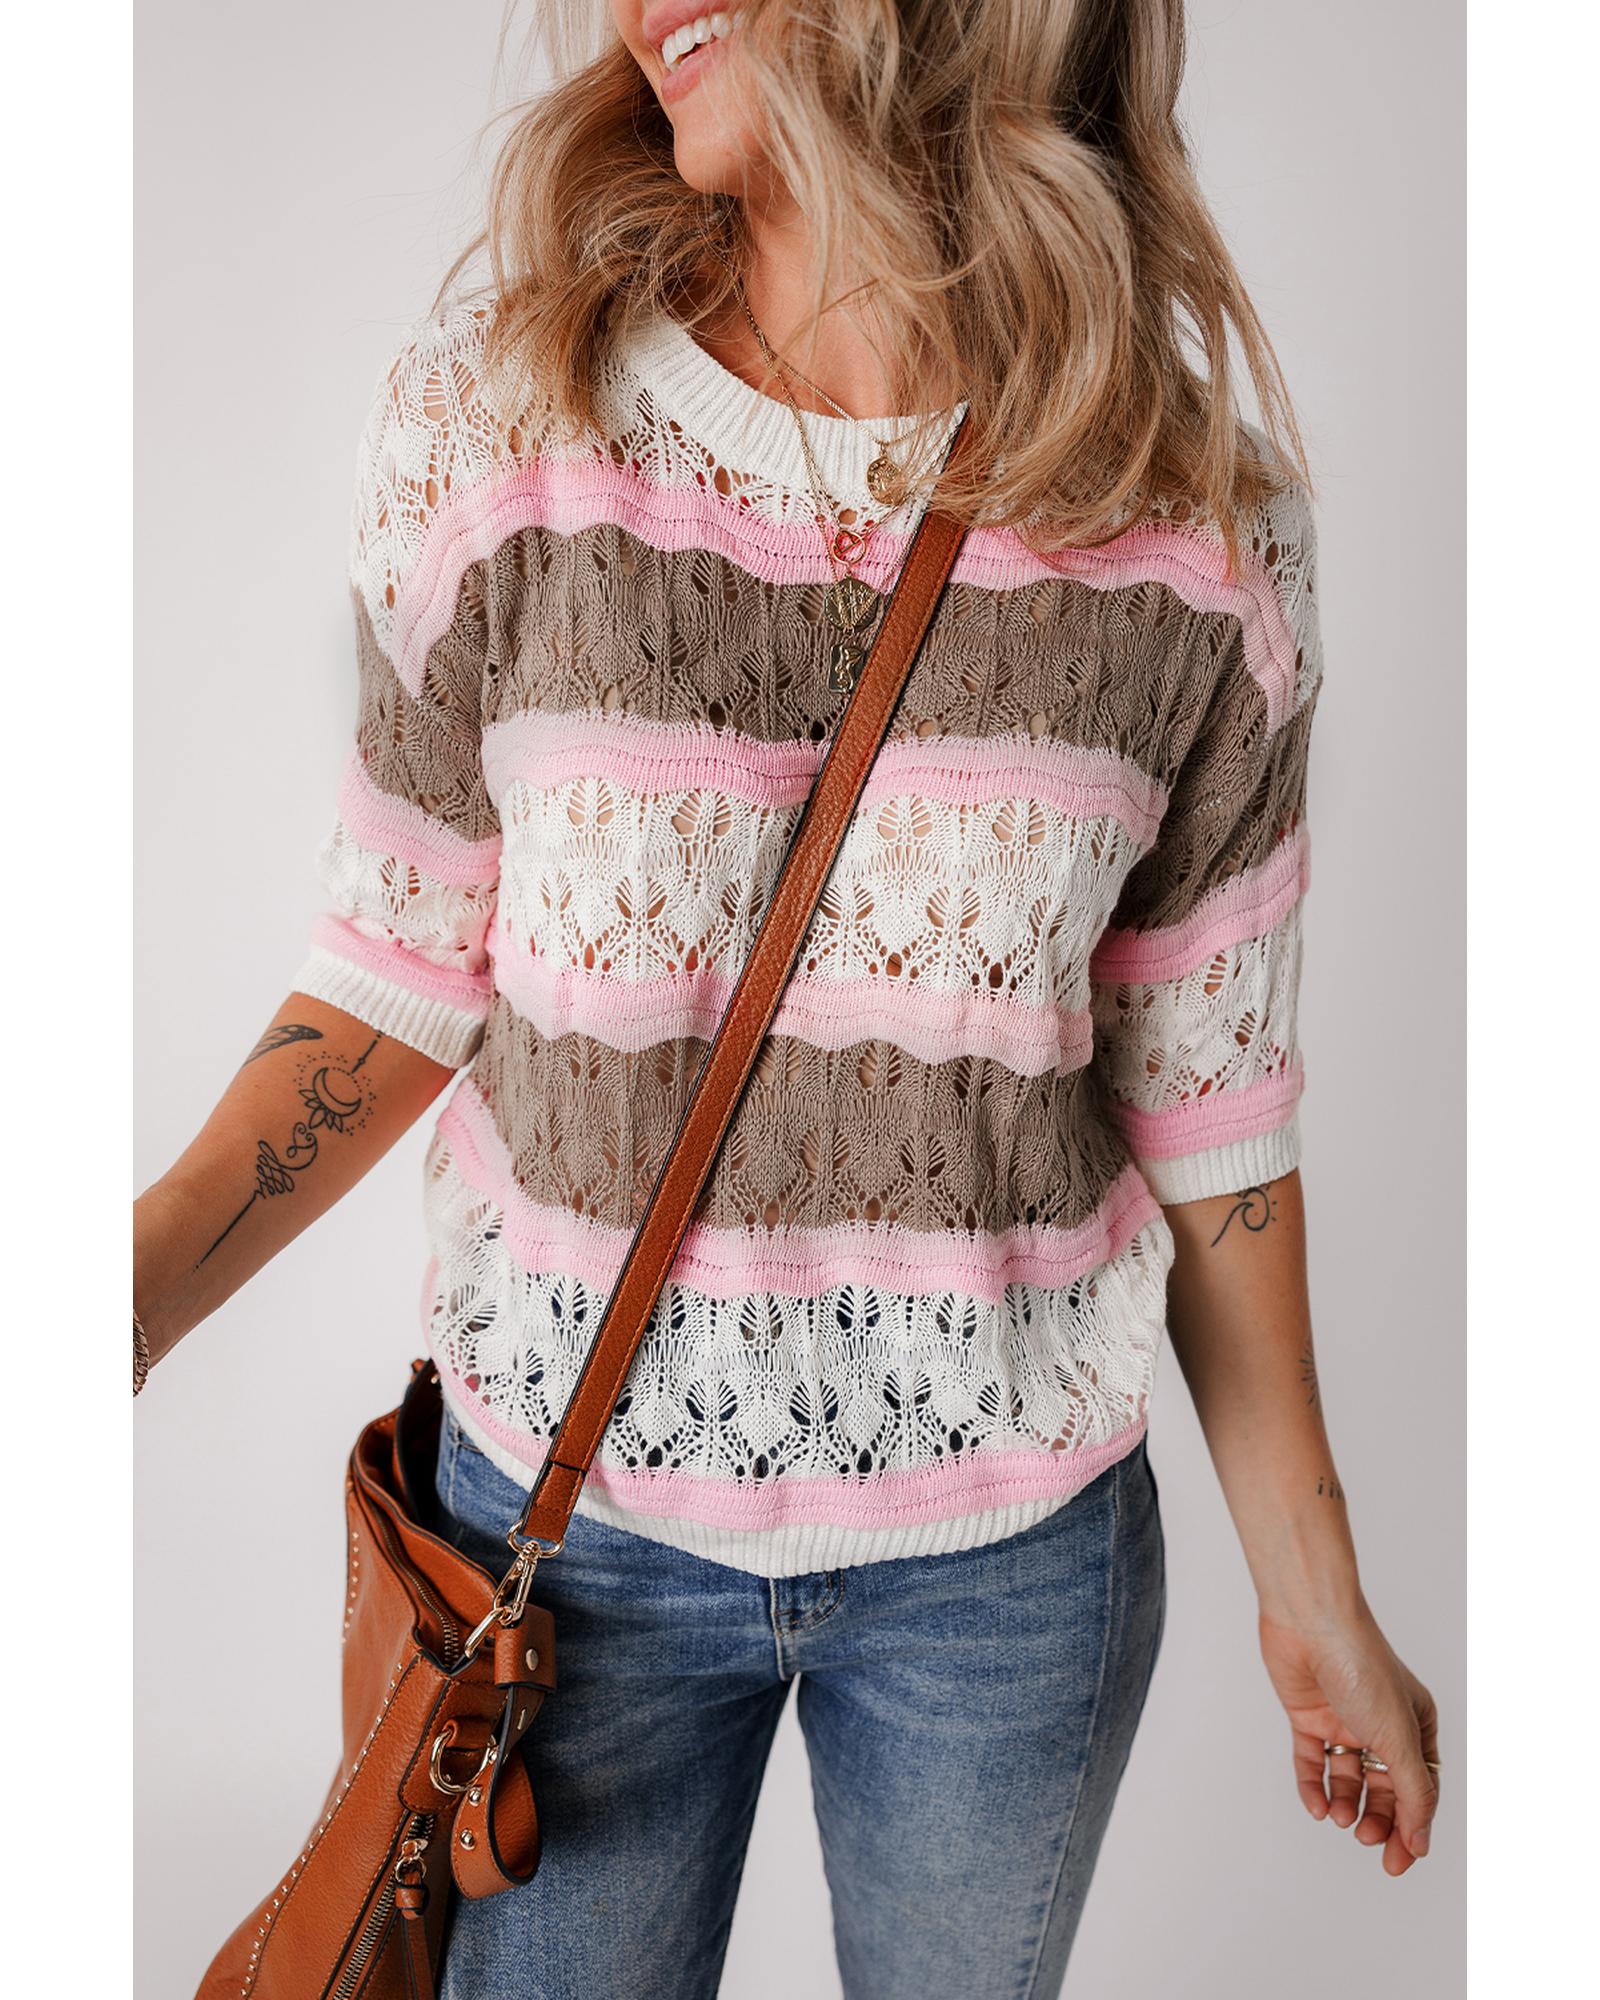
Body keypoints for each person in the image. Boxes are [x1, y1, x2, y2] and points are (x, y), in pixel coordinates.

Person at [134, 3, 1442, 1994]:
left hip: (1009, 1573)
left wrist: (1314, 1583)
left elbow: (1210, 1101)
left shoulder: (1195, 526)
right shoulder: (505, 428)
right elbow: (393, 969)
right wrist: (117, 1300)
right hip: (561, 1544)